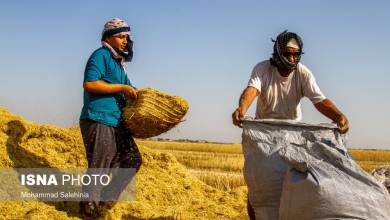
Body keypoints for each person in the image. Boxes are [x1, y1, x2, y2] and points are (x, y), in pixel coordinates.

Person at [232, 31, 349, 220]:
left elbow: (319, 100)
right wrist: (242, 108)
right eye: (288, 54)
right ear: (277, 52)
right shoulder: (262, 69)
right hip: (264, 136)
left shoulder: (303, 73)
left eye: (296, 54)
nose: (292, 58)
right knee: (259, 188)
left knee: (293, 184)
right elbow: (251, 90)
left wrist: (339, 116)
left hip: (293, 137)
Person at [79, 18, 142, 218]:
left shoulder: (119, 65)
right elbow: (90, 84)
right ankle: (88, 210)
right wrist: (122, 88)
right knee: (100, 167)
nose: (125, 41)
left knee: (132, 160)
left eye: (127, 37)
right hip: (98, 118)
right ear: (108, 37)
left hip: (116, 121)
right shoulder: (101, 55)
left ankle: (104, 199)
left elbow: (131, 90)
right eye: (121, 36)